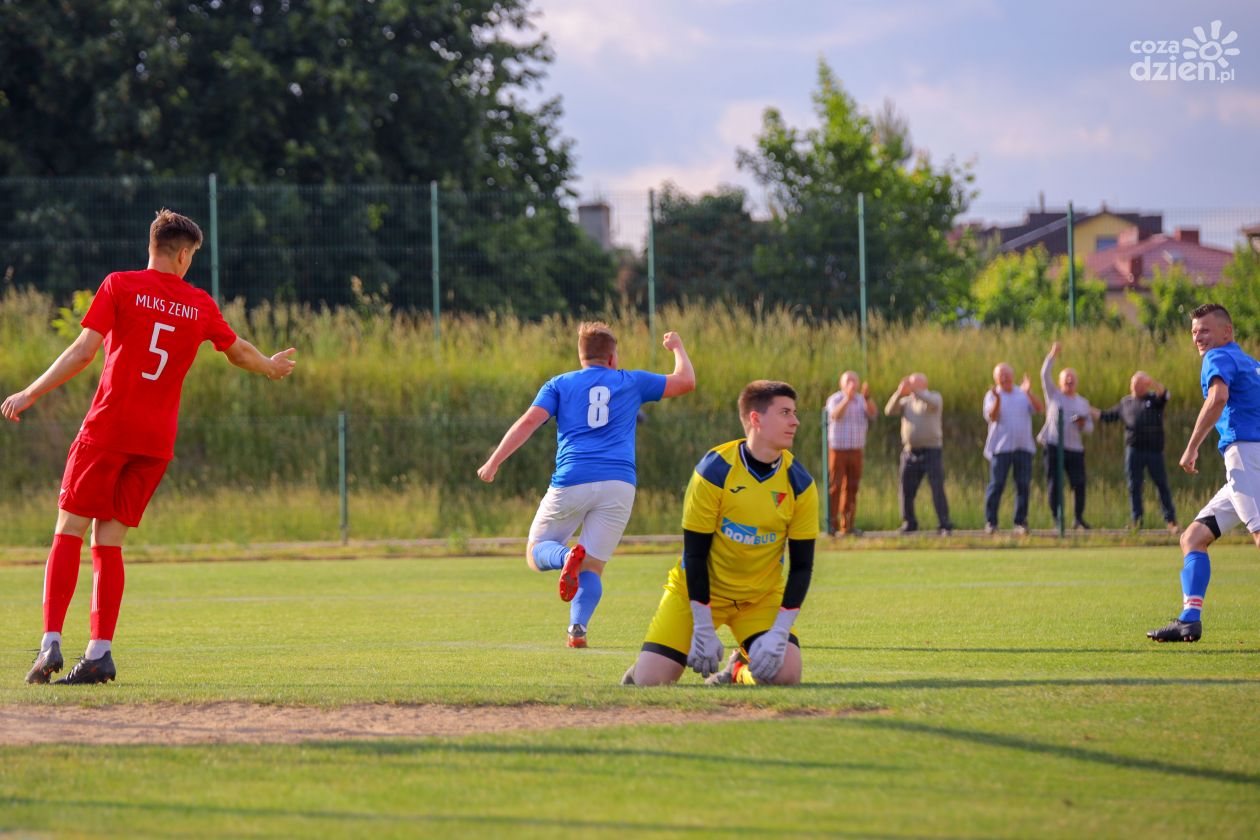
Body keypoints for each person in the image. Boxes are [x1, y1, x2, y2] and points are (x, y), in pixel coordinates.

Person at [6, 209, 297, 686]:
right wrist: (269, 365)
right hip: (154, 443)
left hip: (108, 430)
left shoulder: (120, 285)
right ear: (182, 255)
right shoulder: (199, 303)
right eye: (192, 256)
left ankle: (50, 643)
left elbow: (83, 351)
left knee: (69, 529)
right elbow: (237, 350)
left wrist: (31, 392)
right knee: (109, 542)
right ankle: (99, 652)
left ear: (152, 246)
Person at [477, 323, 694, 649]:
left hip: (573, 479)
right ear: (612, 357)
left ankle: (565, 556)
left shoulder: (559, 384)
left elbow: (529, 421)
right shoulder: (631, 380)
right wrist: (676, 347)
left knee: (536, 552)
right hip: (619, 485)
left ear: (581, 356)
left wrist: (494, 462)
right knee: (593, 566)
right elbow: (686, 381)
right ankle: (577, 629)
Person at [621, 380, 818, 687]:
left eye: (794, 412)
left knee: (786, 675)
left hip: (758, 599)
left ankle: (738, 670)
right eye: (785, 412)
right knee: (651, 682)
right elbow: (694, 554)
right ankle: (639, 670)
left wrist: (780, 631)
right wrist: (702, 625)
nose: (795, 421)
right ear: (756, 419)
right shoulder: (714, 471)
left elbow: (802, 567)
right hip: (695, 595)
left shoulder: (799, 482)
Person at [1147, 303, 1260, 643]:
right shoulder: (1250, 363)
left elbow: (1218, 397)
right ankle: (1189, 619)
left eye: (1206, 330)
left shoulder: (1218, 356)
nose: (1199, 337)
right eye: (1195, 332)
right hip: (1248, 460)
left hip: (1246, 455)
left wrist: (1192, 445)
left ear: (1227, 332)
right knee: (1193, 537)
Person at [1098, 371, 1179, 533]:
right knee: (1134, 486)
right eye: (1133, 384)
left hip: (1154, 451)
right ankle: (1137, 521)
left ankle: (1171, 521)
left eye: (1140, 384)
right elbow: (1107, 416)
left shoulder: (1153, 399)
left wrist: (1153, 382)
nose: (1135, 387)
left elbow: (1166, 395)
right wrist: (1086, 410)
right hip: (1134, 451)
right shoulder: (1125, 403)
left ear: (1145, 385)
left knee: (1161, 484)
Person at [885, 373, 953, 535]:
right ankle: (909, 522)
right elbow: (889, 410)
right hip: (910, 451)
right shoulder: (906, 402)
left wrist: (915, 391)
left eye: (914, 383)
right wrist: (899, 392)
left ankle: (944, 523)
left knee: (937, 487)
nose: (911, 386)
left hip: (931, 450)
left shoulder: (934, 396)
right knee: (906, 488)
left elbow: (933, 404)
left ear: (923, 384)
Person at [1036, 342, 1096, 529]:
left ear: (1076, 382)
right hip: (1054, 446)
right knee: (1054, 484)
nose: (1069, 381)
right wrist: (1052, 355)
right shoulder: (1053, 395)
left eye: (1072, 379)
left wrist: (1083, 424)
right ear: (1060, 382)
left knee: (1079, 483)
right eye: (1066, 379)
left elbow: (1090, 428)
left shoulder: (1082, 402)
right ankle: (1057, 519)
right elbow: (1044, 374)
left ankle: (1078, 518)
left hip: (1075, 448)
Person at [983, 363, 1044, 535]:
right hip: (1001, 448)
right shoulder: (992, 395)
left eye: (1007, 374)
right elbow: (992, 417)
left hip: (1023, 447)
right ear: (996, 378)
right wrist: (998, 399)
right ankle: (991, 522)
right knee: (996, 485)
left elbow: (1040, 409)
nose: (1004, 378)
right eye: (1000, 375)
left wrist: (1029, 393)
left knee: (1023, 485)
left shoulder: (1022, 393)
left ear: (1013, 375)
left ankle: (1020, 522)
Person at [825, 370, 876, 535]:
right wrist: (848, 397)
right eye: (848, 380)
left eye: (854, 380)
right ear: (842, 384)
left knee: (852, 487)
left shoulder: (862, 400)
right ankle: (831, 524)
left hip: (856, 450)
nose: (852, 383)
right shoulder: (835, 399)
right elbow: (835, 415)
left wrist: (868, 398)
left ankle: (847, 525)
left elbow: (873, 414)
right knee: (835, 486)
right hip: (838, 449)